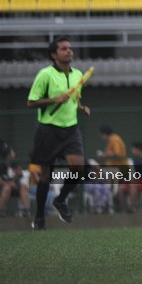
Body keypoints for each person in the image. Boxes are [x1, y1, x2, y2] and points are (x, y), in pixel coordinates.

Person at [26, 36, 91, 229]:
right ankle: (39, 218)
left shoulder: (78, 74)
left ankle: (60, 200)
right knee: (45, 175)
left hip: (71, 129)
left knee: (79, 169)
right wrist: (53, 100)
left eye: (70, 48)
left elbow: (74, 98)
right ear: (54, 55)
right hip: (48, 130)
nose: (69, 51)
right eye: (64, 49)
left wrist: (80, 107)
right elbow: (31, 102)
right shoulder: (45, 75)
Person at [1, 139, 30, 218]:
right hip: (5, 187)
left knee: (24, 187)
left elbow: (20, 174)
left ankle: (26, 211)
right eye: (11, 152)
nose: (13, 154)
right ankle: (1, 210)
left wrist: (18, 175)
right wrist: (9, 183)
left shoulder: (14, 163)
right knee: (7, 188)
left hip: (16, 186)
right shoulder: (2, 165)